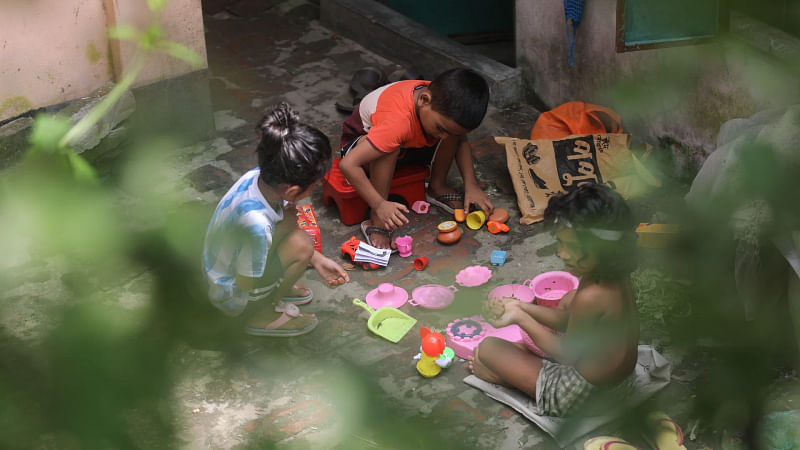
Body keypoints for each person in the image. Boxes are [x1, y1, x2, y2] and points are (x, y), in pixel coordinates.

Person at [468, 183, 640, 416]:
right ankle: (519, 374)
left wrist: (520, 318)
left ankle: (508, 381)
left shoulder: (593, 295)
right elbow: (569, 319)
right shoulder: (612, 275)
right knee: (568, 300)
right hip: (620, 383)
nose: (563, 253)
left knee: (488, 349)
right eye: (560, 242)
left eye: (574, 246)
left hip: (587, 395)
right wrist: (521, 306)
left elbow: (567, 355)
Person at [203, 103, 350, 337]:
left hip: (223, 269)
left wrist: (318, 260)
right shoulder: (257, 225)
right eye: (315, 185)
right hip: (231, 295)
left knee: (300, 241)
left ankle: (276, 287)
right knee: (301, 246)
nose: (317, 187)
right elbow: (246, 282)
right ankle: (259, 315)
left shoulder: (256, 179)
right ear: (292, 192)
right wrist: (288, 231)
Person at [338, 68, 494, 249]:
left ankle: (437, 185)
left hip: (407, 144)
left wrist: (471, 185)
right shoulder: (397, 122)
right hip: (361, 149)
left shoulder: (438, 104)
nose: (443, 137)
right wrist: (379, 204)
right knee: (388, 148)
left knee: (451, 134)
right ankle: (377, 219)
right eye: (440, 128)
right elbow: (348, 165)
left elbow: (460, 140)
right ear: (424, 100)